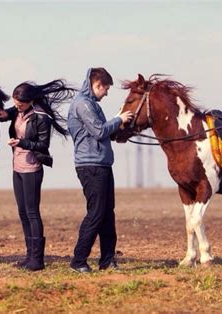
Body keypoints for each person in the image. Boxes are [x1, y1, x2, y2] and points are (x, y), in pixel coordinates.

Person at [0, 80, 75, 271]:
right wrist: (6, 114)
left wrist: (21, 143)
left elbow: (42, 145)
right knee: (22, 213)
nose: (16, 107)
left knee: (32, 213)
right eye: (14, 103)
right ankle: (29, 256)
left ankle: (37, 260)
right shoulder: (18, 111)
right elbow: (14, 113)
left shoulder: (41, 117)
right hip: (17, 168)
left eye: (19, 104)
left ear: (30, 101)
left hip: (32, 168)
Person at [67, 68, 133, 273]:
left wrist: (117, 128)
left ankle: (107, 260)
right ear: (97, 85)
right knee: (95, 213)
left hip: (102, 164)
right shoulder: (83, 105)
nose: (106, 93)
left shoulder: (91, 104)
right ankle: (78, 261)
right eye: (105, 89)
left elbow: (102, 131)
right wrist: (119, 119)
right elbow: (99, 131)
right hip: (91, 166)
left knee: (107, 214)